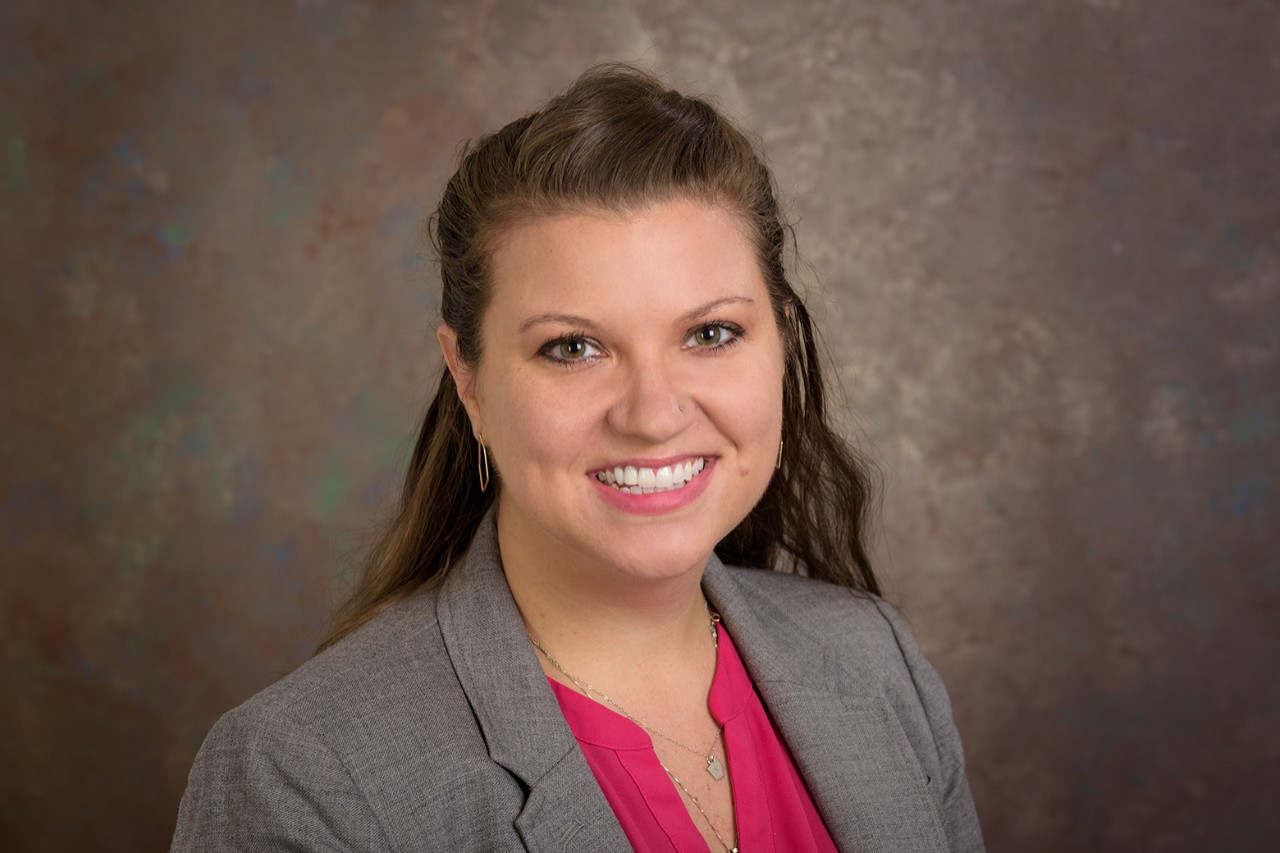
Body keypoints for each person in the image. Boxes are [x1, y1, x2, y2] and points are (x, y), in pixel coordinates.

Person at [172, 64, 984, 852]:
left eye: (710, 333)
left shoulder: (875, 661)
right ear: (469, 379)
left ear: (778, 340)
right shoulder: (303, 775)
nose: (654, 415)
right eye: (574, 347)